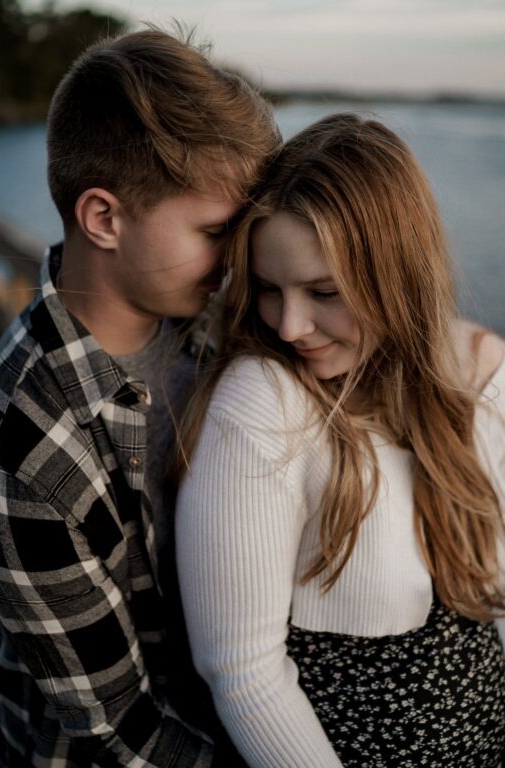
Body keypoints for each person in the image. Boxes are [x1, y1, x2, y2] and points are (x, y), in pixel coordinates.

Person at [176, 113, 505, 768]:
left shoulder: (486, 372)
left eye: (324, 292)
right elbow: (244, 674)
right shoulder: (265, 402)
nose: (292, 325)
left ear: (397, 272)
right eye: (269, 289)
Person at [0, 27, 279, 767]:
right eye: (217, 229)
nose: (239, 254)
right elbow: (118, 727)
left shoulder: (206, 318)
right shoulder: (33, 439)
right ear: (103, 218)